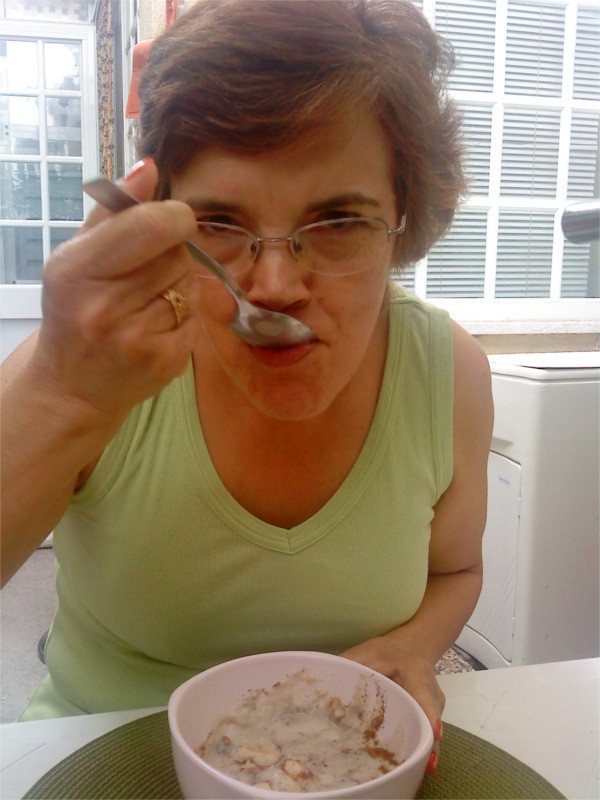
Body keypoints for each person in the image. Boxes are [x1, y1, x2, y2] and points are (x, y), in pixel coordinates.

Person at [1, 0, 493, 776]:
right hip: (99, 765)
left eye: (337, 220)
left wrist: (410, 646)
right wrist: (66, 396)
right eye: (221, 223)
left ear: (404, 216)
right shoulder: (97, 365)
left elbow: (456, 570)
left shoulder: (447, 372)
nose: (274, 285)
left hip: (345, 770)